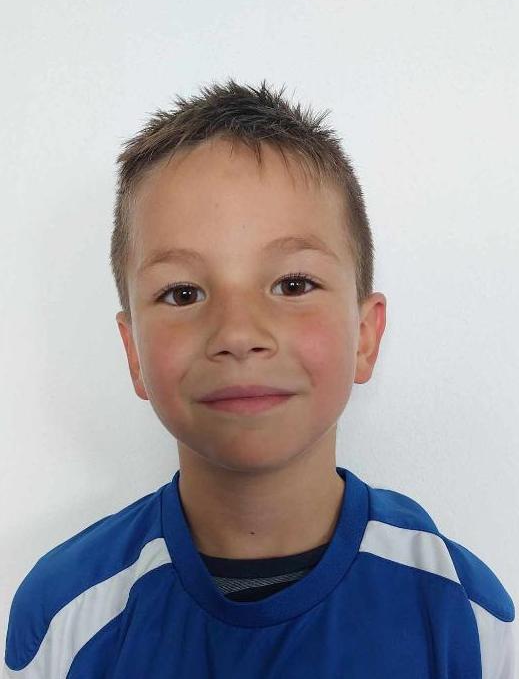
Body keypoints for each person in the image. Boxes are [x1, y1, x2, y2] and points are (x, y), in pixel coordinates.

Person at [3, 78, 515, 678]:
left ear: (365, 336)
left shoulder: (463, 615)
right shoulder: (64, 615)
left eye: (293, 285)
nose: (238, 332)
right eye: (183, 293)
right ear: (133, 351)